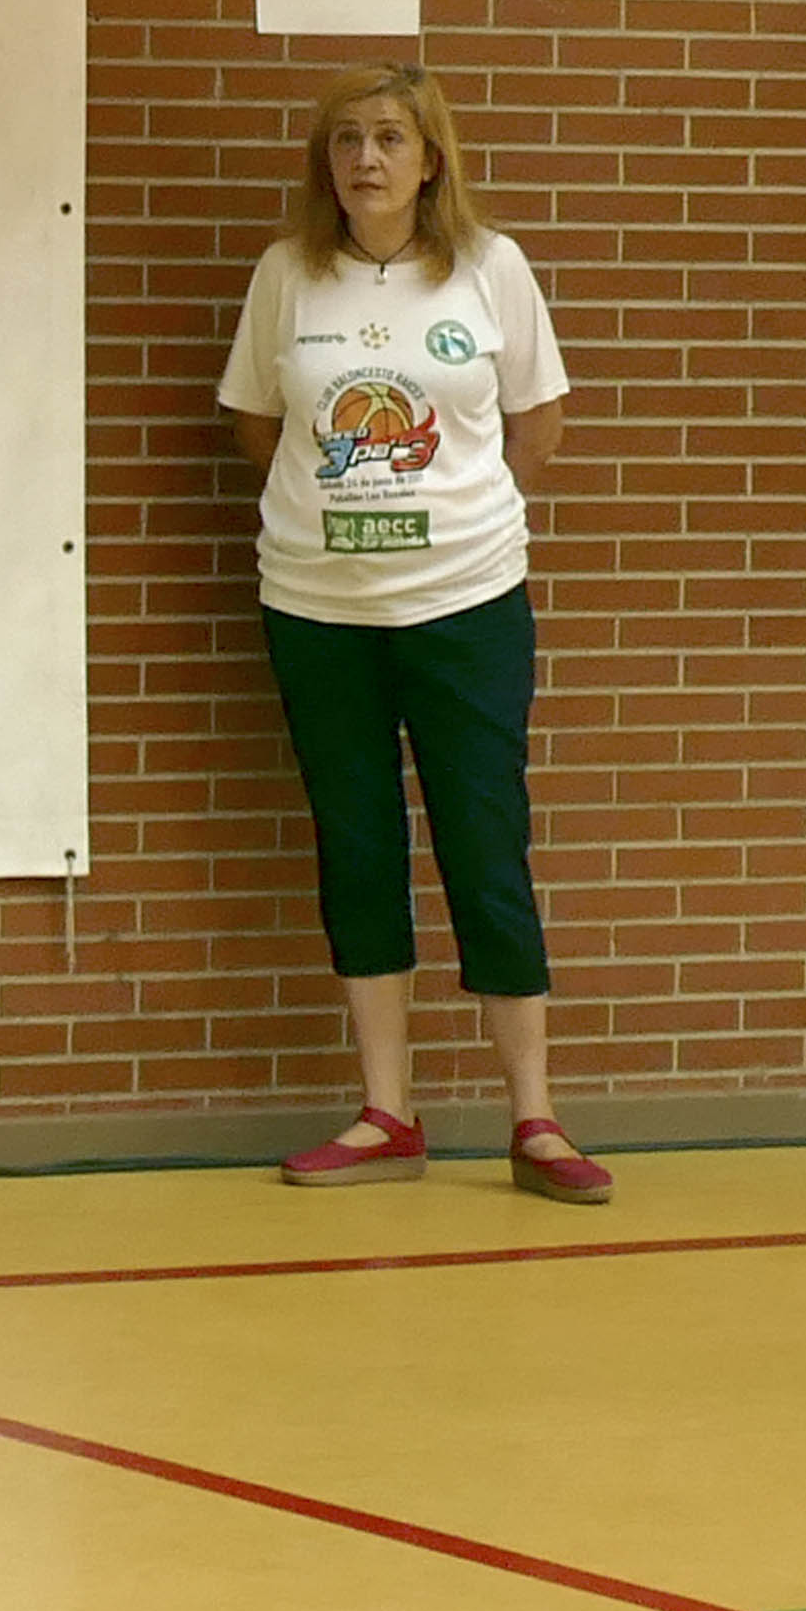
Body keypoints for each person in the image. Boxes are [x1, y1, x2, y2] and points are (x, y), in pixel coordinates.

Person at [218, 61, 602, 1204]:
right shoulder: (288, 273)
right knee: (357, 846)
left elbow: (539, 425)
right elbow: (257, 427)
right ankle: (389, 1113)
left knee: (486, 845)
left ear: (431, 159)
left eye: (390, 138)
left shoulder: (492, 268)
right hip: (318, 611)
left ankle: (534, 1117)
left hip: (468, 608)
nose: (366, 159)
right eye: (346, 140)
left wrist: (450, 523)